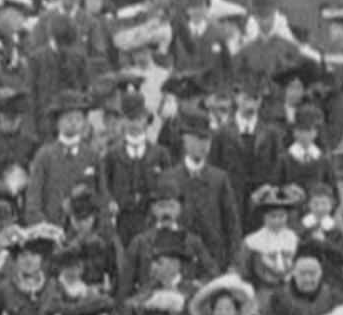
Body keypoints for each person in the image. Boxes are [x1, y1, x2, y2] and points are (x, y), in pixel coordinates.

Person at [119, 177, 218, 301]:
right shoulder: (140, 242)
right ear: (153, 209)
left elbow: (212, 273)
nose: (166, 212)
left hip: (185, 303)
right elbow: (125, 285)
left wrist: (194, 287)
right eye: (161, 206)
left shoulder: (193, 242)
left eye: (171, 206)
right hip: (148, 305)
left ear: (179, 209)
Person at [167, 111, 241, 274]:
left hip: (214, 263)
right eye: (197, 139)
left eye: (206, 140)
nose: (202, 145)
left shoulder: (219, 179)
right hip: (181, 261)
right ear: (184, 140)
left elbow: (232, 225)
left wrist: (233, 263)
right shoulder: (171, 178)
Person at [209, 76, 283, 232]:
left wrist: (269, 191)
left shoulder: (271, 134)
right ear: (237, 99)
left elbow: (278, 167)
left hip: (262, 202)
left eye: (255, 99)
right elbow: (214, 167)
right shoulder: (222, 133)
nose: (251, 104)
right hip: (231, 199)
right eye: (246, 98)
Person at [26, 90, 106, 227]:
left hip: (85, 230)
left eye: (78, 119)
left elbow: (102, 195)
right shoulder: (45, 156)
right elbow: (33, 198)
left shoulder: (92, 156)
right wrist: (42, 226)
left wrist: (97, 225)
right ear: (58, 122)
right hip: (51, 227)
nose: (74, 123)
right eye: (69, 118)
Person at [105, 92, 172, 247]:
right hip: (122, 221)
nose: (134, 125)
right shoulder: (112, 155)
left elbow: (168, 187)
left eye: (138, 119)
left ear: (146, 120)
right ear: (122, 121)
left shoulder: (160, 154)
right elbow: (104, 186)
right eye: (130, 119)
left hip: (151, 220)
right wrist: (110, 202)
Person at [238, 184, 302, 314]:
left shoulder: (294, 239)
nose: (277, 221)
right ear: (264, 217)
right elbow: (244, 272)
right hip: (263, 293)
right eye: (273, 216)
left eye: (281, 216)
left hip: (290, 292)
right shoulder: (252, 242)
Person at [28, 16, 91, 144]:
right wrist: (35, 127)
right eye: (60, 42)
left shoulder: (78, 58)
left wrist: (82, 118)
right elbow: (33, 95)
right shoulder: (37, 59)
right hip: (46, 123)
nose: (64, 47)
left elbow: (84, 90)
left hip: (73, 120)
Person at [275, 107, 340, 203]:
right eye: (300, 131)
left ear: (316, 133)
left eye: (308, 131)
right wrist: (285, 190)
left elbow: (334, 195)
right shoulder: (284, 159)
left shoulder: (323, 160)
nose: (304, 135)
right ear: (294, 132)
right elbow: (274, 188)